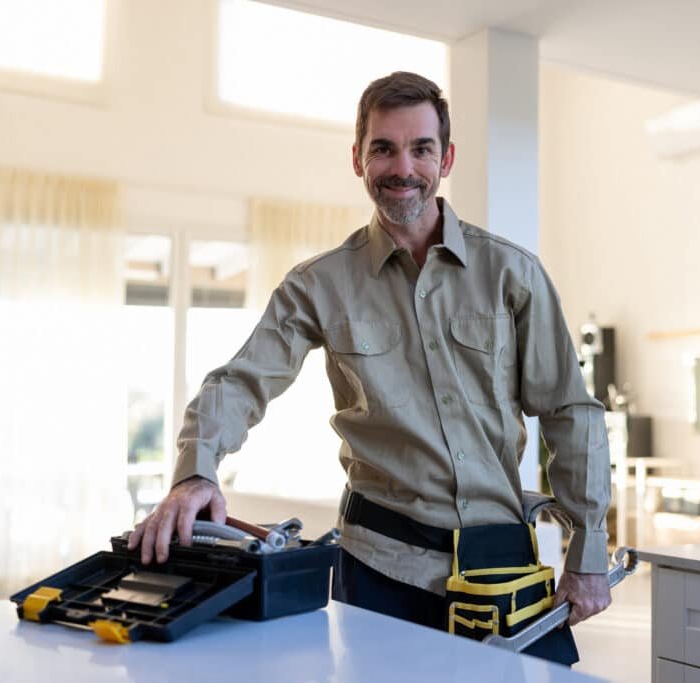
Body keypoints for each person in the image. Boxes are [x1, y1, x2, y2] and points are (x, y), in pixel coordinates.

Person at [128, 71, 611, 665]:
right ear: (358, 159)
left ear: (447, 158)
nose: (401, 167)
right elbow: (240, 381)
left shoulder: (513, 274)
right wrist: (194, 471)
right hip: (380, 567)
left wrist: (588, 552)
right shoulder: (319, 284)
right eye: (383, 148)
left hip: (501, 562)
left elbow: (569, 412)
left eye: (420, 148)